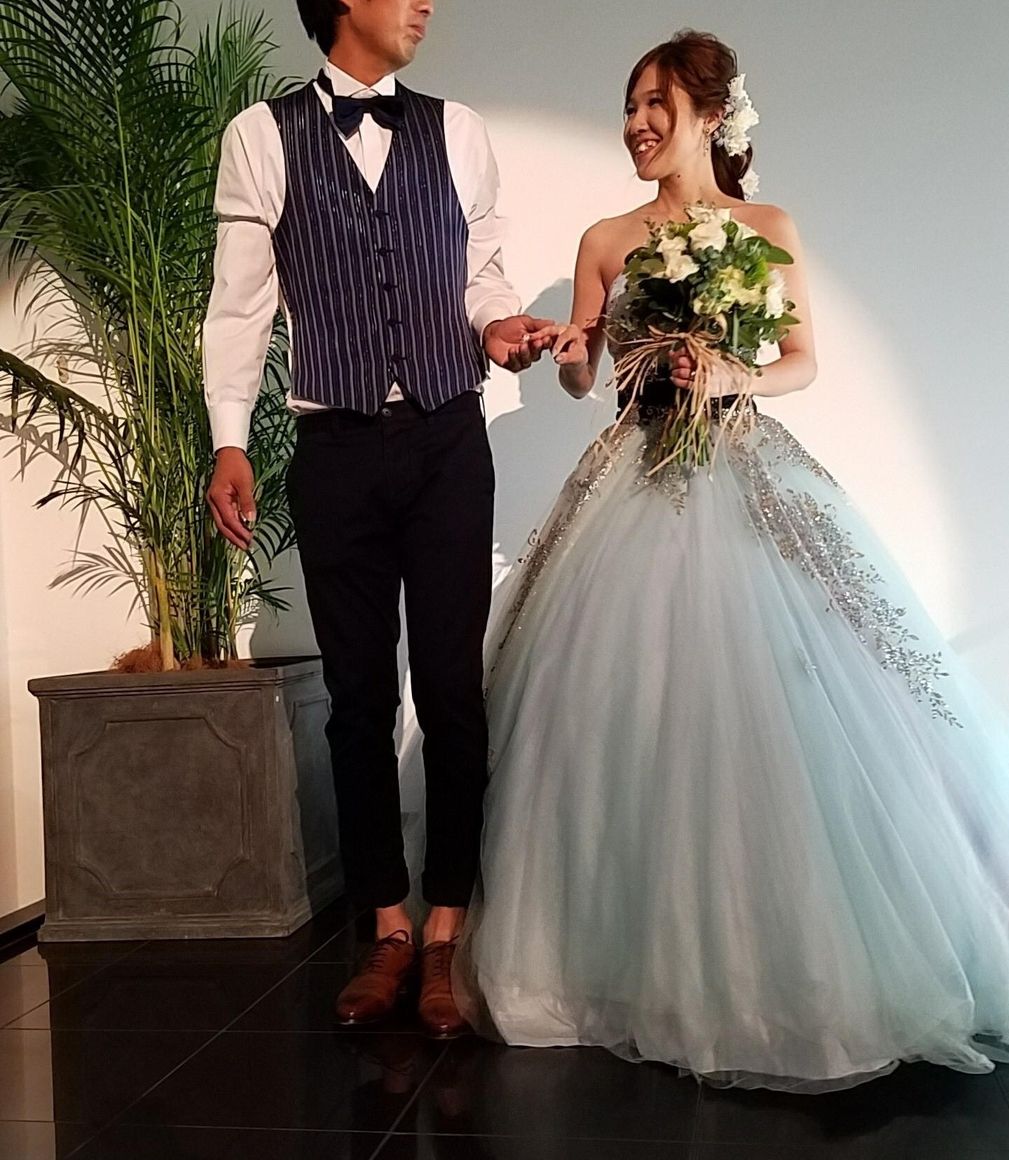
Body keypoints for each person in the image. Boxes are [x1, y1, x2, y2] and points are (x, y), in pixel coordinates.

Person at [459, 29, 1009, 1091]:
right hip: (633, 470)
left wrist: (729, 375)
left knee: (769, 708)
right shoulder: (606, 237)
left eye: (654, 104)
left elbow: (800, 358)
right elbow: (584, 374)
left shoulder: (765, 227)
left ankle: (775, 967)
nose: (635, 124)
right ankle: (609, 960)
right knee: (610, 706)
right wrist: (569, 351)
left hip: (742, 464)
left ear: (712, 115)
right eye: (629, 107)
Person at [202, 0, 552, 1039]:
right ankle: (386, 927)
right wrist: (229, 438)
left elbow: (479, 275)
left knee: (450, 690)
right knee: (357, 698)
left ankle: (447, 928)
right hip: (336, 450)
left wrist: (498, 330)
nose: (424, 3)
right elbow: (239, 304)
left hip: (448, 440)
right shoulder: (261, 136)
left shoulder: (458, 129)